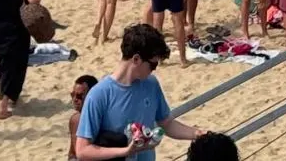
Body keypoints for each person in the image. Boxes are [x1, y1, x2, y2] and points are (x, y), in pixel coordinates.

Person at [74, 23, 204, 161]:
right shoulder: (99, 95)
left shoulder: (151, 84)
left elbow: (166, 124)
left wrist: (198, 134)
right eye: (153, 64)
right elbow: (82, 150)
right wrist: (126, 151)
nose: (154, 69)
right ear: (136, 59)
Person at [68, 74, 99, 159]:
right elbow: (72, 153)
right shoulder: (75, 120)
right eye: (72, 95)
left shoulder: (101, 120)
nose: (74, 99)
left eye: (79, 96)